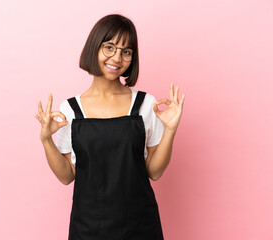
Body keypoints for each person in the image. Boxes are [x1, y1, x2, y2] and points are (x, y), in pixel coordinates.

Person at [35, 13, 185, 240]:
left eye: (126, 51)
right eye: (109, 47)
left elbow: (154, 172)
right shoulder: (70, 110)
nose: (117, 57)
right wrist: (46, 140)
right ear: (94, 48)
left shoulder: (146, 104)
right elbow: (67, 176)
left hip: (140, 226)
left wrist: (170, 130)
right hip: (88, 228)